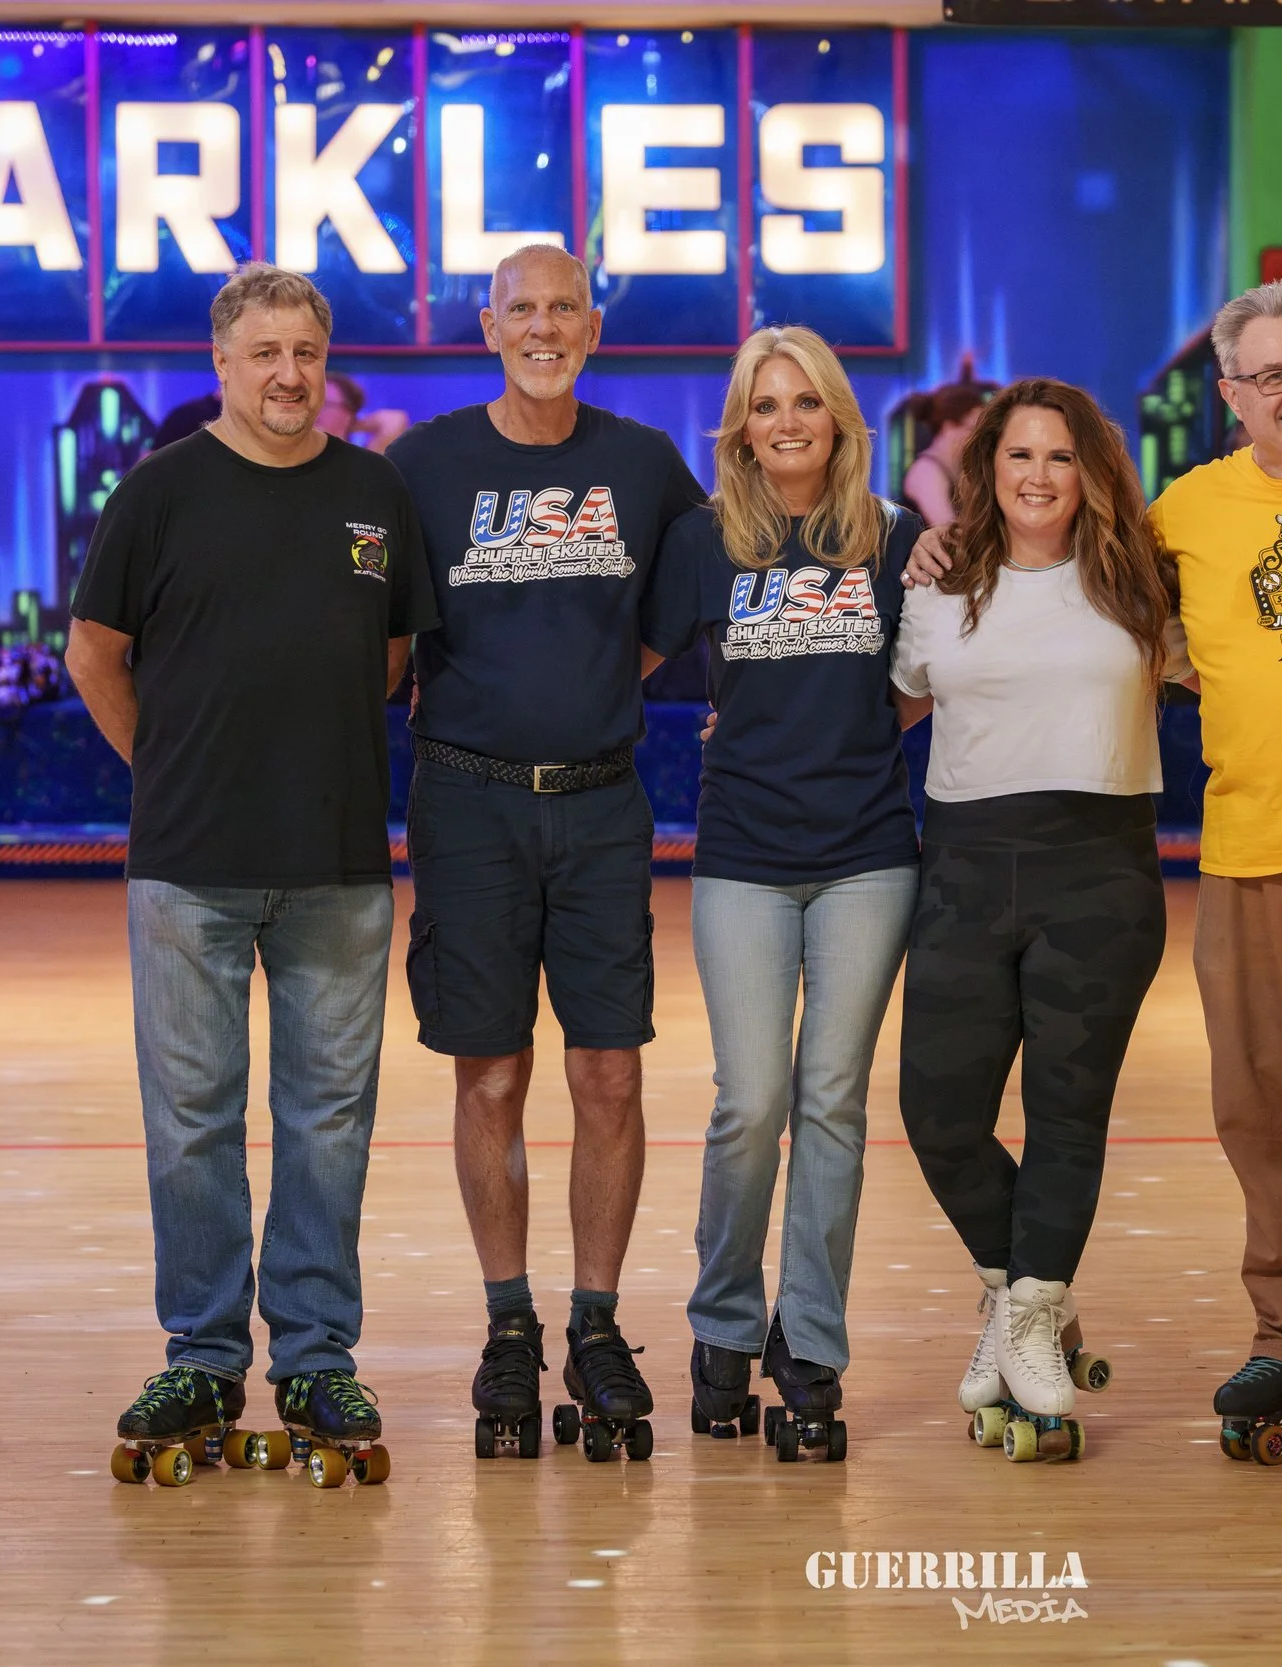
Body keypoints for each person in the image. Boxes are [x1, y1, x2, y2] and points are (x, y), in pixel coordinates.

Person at [908, 281, 1282, 1469]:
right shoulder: (1182, 512)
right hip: (1244, 853)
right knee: (1262, 1117)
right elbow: (1060, 571)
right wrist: (941, 538)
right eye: (1272, 375)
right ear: (1228, 394)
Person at [65, 262, 435, 1479]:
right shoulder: (160, 492)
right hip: (188, 866)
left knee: (329, 1124)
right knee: (192, 1124)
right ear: (221, 364)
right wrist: (168, 767)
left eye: (307, 355)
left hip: (336, 861)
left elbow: (386, 660)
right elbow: (93, 652)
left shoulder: (374, 492)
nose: (288, 375)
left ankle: (318, 1353)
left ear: (326, 367)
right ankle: (206, 1353)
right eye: (264, 353)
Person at [383, 243, 706, 1459]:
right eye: (522, 307)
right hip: (466, 807)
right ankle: (508, 1320)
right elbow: (372, 616)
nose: (543, 324)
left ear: (593, 324)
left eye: (563, 305)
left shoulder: (639, 463)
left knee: (609, 1074)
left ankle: (599, 1320)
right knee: (492, 1076)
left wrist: (578, 695)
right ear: (486, 326)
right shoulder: (420, 467)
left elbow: (702, 590)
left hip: (601, 803)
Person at [640, 327, 923, 1456]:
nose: (789, 420)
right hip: (743, 856)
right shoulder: (701, 542)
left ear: (840, 416)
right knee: (750, 1099)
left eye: (807, 400)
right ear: (742, 425)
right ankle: (722, 1326)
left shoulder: (893, 539)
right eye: (767, 405)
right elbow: (629, 663)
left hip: (866, 855)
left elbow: (919, 682)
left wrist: (848, 732)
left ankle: (809, 1344)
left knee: (834, 1101)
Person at [892, 378, 1186, 1459]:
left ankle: (1025, 1313)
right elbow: (891, 703)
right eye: (1019, 455)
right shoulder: (936, 583)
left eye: (1060, 457)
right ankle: (1027, 1298)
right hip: (965, 868)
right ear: (987, 467)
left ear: (1091, 471)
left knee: (1067, 1113)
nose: (1037, 476)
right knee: (939, 1113)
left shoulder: (1147, 586)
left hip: (1100, 873)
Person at [899, 381, 991, 528]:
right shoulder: (926, 472)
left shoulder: (958, 471)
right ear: (949, 427)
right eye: (973, 429)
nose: (979, 438)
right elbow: (947, 531)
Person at [319, 370, 412, 452]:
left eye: (325, 404)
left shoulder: (358, 463)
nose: (313, 410)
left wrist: (353, 425)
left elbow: (394, 420)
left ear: (348, 413)